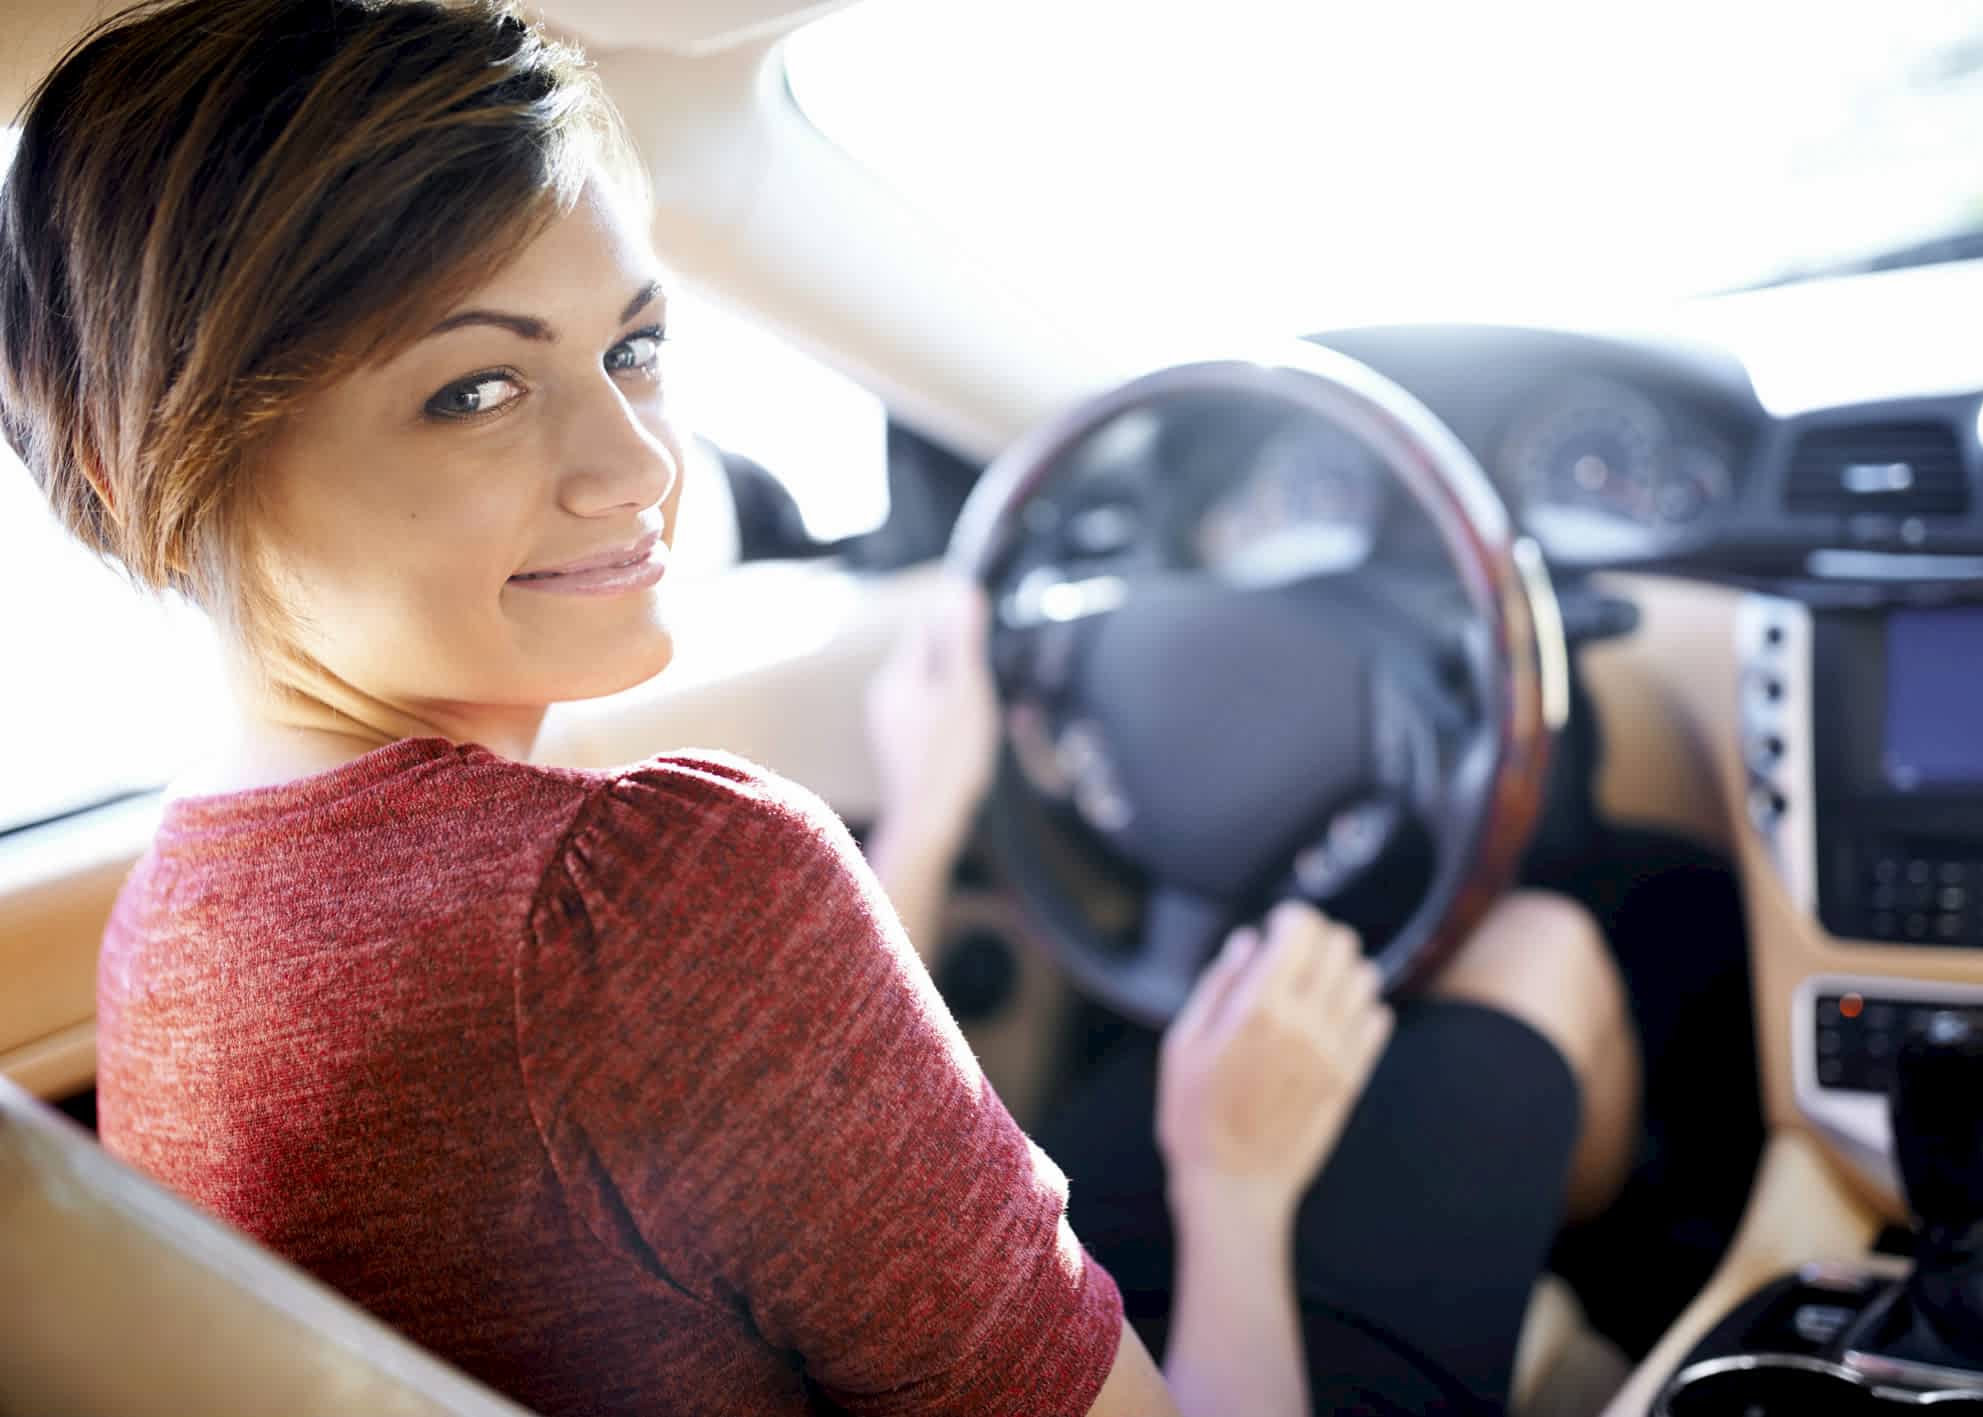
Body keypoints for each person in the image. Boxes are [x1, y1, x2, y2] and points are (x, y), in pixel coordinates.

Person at [0, 4, 1402, 1416]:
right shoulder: (645, 888)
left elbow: (683, 1109)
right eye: (475, 390)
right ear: (144, 477)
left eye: (634, 346)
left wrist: (919, 830)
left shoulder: (174, 912)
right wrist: (1235, 1182)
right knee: (1508, 982)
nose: (640, 465)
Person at [868, 583, 1643, 1416]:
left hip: (1026, 1277)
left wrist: (923, 814)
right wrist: (1232, 1180)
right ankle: (1617, 1272)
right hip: (1207, 1350)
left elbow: (829, 1100)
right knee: (1543, 945)